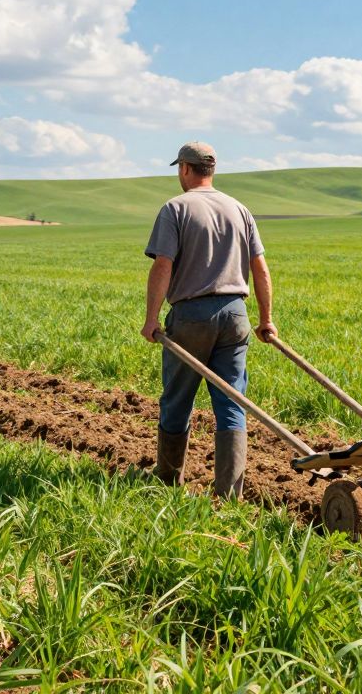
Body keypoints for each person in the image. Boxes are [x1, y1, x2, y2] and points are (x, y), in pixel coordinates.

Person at [141, 141, 277, 497]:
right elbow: (260, 268)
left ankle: (167, 481)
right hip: (235, 315)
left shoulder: (175, 208)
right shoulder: (239, 209)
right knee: (232, 401)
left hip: (191, 316)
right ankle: (229, 494)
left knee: (177, 400)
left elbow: (163, 265)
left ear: (185, 168)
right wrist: (266, 319)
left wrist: (151, 319)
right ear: (211, 170)